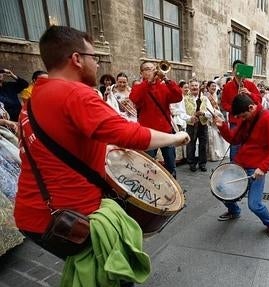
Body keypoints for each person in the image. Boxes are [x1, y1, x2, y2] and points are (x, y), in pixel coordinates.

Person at [14, 26, 189, 285]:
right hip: (71, 215)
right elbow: (130, 134)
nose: (96, 64)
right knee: (117, 272)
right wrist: (177, 137)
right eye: (93, 57)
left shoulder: (36, 94)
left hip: (32, 212)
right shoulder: (75, 93)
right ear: (76, 59)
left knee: (96, 269)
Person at [214, 94, 269, 240]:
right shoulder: (246, 118)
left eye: (243, 115)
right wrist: (222, 127)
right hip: (241, 163)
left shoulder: (268, 119)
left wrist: (263, 168)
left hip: (256, 167)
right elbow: (234, 139)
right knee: (220, 189)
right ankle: (234, 211)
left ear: (251, 107)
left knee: (254, 205)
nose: (242, 119)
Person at [130, 61, 183, 178]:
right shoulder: (139, 87)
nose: (152, 71)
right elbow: (134, 98)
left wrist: (167, 80)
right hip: (148, 133)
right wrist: (148, 83)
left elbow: (178, 96)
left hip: (166, 131)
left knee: (171, 165)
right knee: (147, 166)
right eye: (148, 69)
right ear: (141, 73)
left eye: (153, 68)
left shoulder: (164, 86)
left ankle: (174, 190)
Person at [182, 79, 214, 171]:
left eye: (196, 86)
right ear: (189, 87)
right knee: (191, 144)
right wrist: (190, 118)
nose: (194, 87)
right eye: (192, 86)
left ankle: (202, 163)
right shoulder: (185, 99)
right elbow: (181, 113)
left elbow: (211, 112)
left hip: (203, 124)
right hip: (191, 124)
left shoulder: (205, 98)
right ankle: (191, 163)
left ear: (199, 87)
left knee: (203, 144)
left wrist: (203, 113)